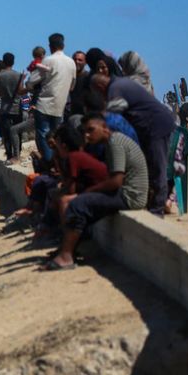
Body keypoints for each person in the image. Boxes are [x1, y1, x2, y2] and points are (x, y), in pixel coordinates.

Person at [42, 114, 148, 270]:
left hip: (131, 196)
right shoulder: (112, 142)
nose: (87, 135)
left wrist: (88, 193)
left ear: (105, 127)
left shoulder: (115, 143)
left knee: (78, 204)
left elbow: (116, 181)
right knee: (79, 202)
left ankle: (66, 257)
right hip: (126, 192)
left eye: (91, 130)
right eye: (85, 131)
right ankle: (68, 249)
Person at [91, 73, 176, 214]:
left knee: (157, 168)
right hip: (152, 127)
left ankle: (157, 209)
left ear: (100, 87)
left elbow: (111, 116)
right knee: (152, 167)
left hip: (156, 127)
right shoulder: (121, 83)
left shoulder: (115, 89)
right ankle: (154, 204)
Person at [24, 33, 77, 163]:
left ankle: (49, 164)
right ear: (63, 45)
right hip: (61, 105)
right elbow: (72, 85)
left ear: (50, 46)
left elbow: (31, 81)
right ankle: (59, 165)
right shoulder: (71, 62)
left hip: (44, 104)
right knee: (58, 136)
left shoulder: (48, 61)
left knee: (43, 135)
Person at [0, 53, 24, 160]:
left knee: (6, 133)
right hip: (17, 106)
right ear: (13, 62)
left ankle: (9, 154)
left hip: (4, 108)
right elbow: (21, 91)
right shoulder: (19, 75)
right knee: (17, 131)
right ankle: (18, 152)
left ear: (3, 61)